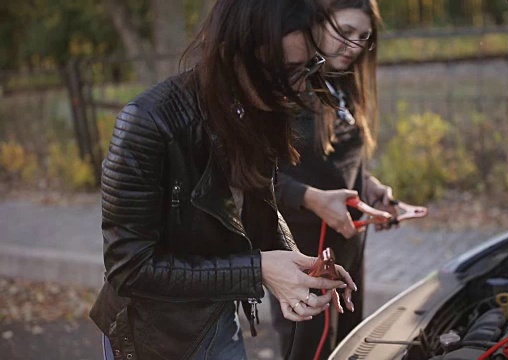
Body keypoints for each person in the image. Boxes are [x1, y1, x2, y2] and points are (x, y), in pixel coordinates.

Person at [88, 1, 357, 359]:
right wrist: (258, 268)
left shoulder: (260, 107)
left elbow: (256, 205)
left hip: (218, 316)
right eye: (281, 71)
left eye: (304, 67)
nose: (294, 86)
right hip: (154, 339)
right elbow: (129, 269)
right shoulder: (146, 123)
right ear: (232, 54)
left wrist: (296, 265)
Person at [271, 0, 395, 358]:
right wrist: (310, 197)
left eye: (363, 37)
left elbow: (333, 160)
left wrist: (368, 184)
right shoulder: (287, 85)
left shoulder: (344, 83)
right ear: (317, 24)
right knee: (310, 347)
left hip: (349, 240)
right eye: (344, 32)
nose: (353, 45)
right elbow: (251, 178)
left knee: (351, 343)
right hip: (301, 246)